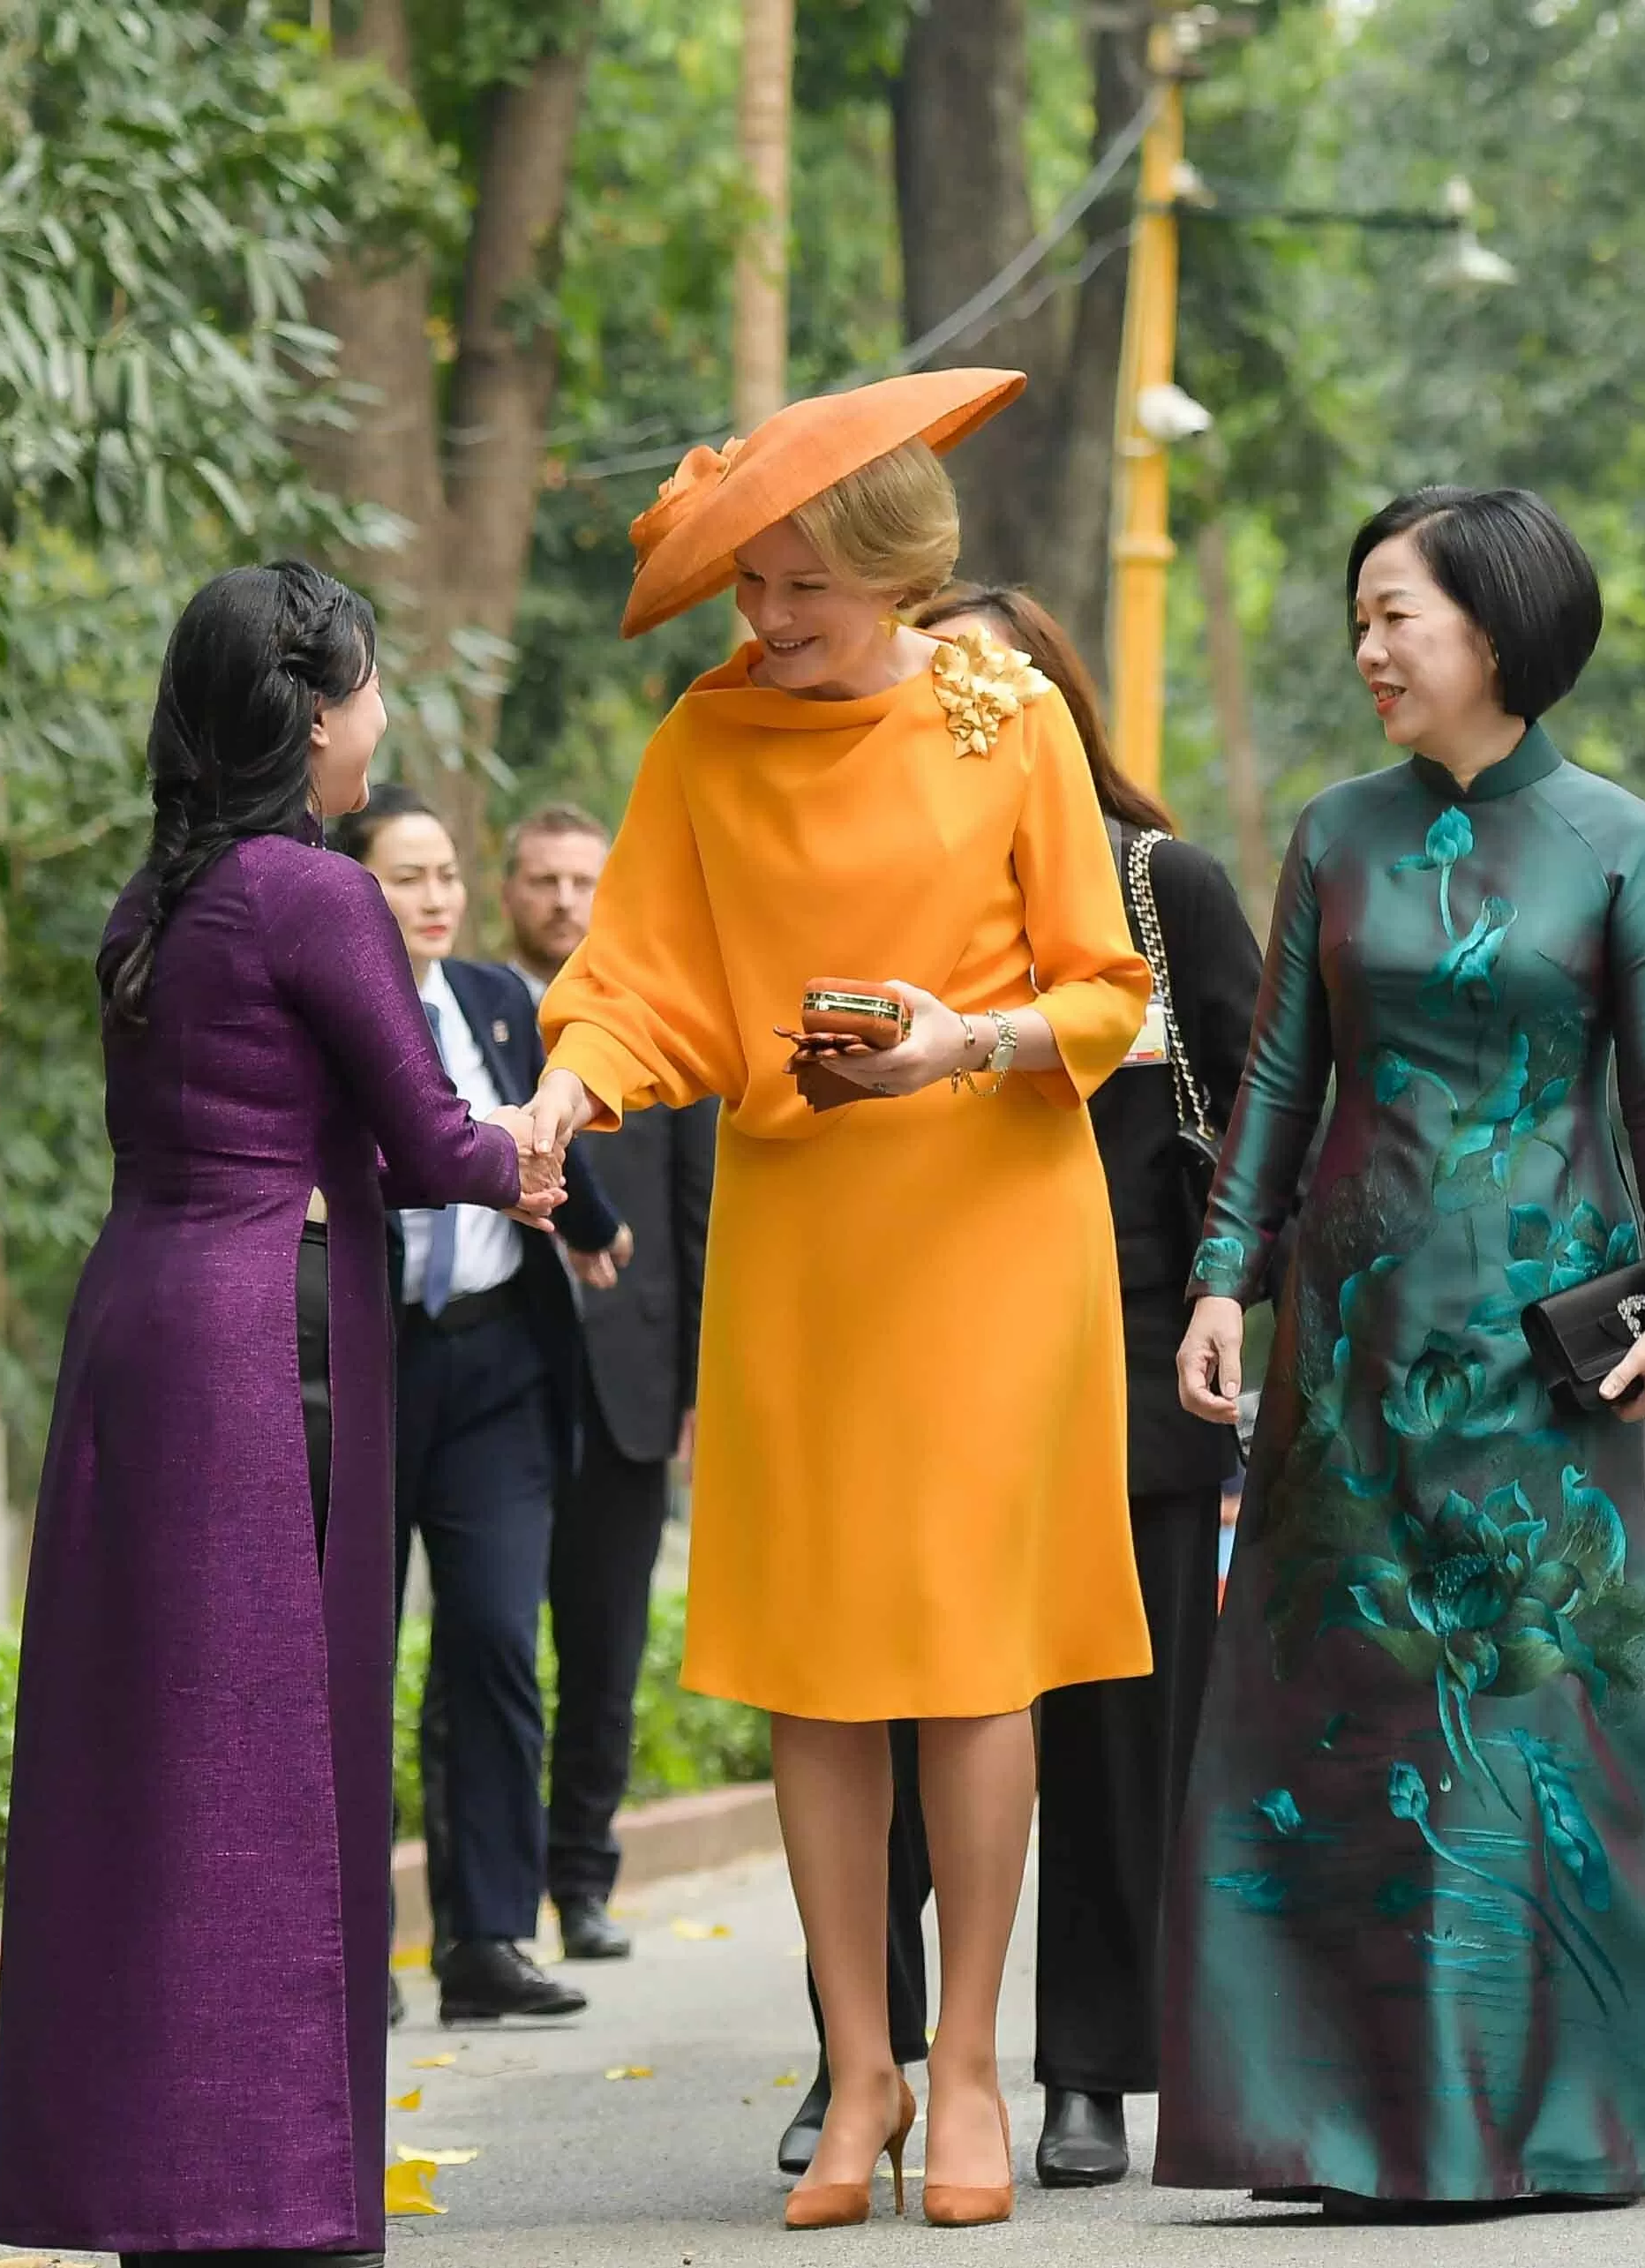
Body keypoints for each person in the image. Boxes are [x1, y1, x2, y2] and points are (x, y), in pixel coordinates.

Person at [524, 367, 1156, 2231]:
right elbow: (640, 985)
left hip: (989, 1227)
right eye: (751, 584)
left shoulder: (1004, 714)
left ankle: (968, 2066)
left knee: (968, 1652)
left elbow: (1107, 988)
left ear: (893, 572)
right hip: (800, 1236)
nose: (768, 614)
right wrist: (566, 1088)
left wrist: (963, 1040)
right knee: (814, 1662)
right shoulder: (701, 744)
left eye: (802, 583)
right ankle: (858, 2065)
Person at [1159, 488, 1645, 2204]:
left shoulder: (1614, 838)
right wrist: (1222, 1279)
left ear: (1495, 630)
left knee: (1542, 1715)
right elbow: (1279, 1080)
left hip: (1546, 1354)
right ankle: (1356, 2124)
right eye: (1358, 618)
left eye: (1397, 616)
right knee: (1347, 1712)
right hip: (1348, 1353)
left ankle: (1542, 2115)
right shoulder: (1335, 834)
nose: (1367, 648)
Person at [0, 565, 563, 2264]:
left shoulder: (153, 898)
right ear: (313, 716)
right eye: (368, 690)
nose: (380, 719)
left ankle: (160, 2189)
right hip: (266, 1338)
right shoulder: (316, 896)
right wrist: (535, 1142)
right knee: (274, 1758)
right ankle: (271, 2198)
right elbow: (432, 1139)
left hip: (137, 1319)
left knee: (152, 1757)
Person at [771, 583, 1261, 2191]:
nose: (953, 704)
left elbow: (1264, 1107)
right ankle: (866, 2053)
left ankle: (1093, 2070)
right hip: (919, 1338)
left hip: (1128, 1343)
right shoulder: (862, 876)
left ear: (1047, 706)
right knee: (890, 1698)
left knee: (1117, 1736)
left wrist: (1228, 1293)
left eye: (985, 677)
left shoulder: (1158, 882)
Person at [330, 785, 624, 2023]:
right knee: (349, 1652)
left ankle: (488, 1938)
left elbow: (549, 1127)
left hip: (499, 1359)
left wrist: (594, 1224)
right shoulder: (331, 1010)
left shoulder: (500, 997)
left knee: (498, 1637)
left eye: (446, 872)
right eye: (406, 876)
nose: (437, 896)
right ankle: (349, 1950)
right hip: (366, 1355)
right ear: (351, 889)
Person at [499, 804, 719, 1964]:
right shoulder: (477, 1018)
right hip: (501, 1373)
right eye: (542, 880)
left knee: (603, 1650)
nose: (564, 901)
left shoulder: (662, 1033)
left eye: (584, 881)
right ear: (509, 892)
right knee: (491, 1642)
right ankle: (491, 1901)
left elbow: (696, 1215)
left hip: (630, 1384)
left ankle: (582, 1880)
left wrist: (697, 1385)